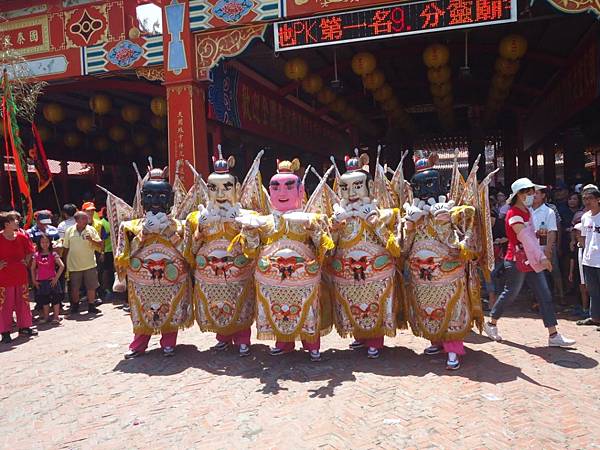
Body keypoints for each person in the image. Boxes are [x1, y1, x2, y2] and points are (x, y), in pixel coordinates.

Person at [238, 158, 334, 362]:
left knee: (307, 308)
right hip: (272, 278)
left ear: (300, 192)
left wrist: (314, 230)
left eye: (289, 187)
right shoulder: (263, 221)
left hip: (303, 277)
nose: (282, 193)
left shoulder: (311, 218)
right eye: (276, 188)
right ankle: (283, 342)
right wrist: (249, 232)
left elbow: (325, 248)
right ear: (269, 192)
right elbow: (253, 251)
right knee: (278, 308)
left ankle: (311, 344)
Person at [400, 153, 489, 370]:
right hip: (422, 276)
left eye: (429, 183)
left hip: (448, 276)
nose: (424, 190)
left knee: (451, 310)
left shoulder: (457, 212)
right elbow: (403, 249)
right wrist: (409, 227)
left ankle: (452, 349)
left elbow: (461, 245)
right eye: (419, 186)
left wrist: (444, 222)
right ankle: (437, 341)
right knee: (428, 309)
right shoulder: (412, 213)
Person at [484, 178, 575, 347]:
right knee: (510, 293)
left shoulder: (527, 212)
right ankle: (491, 324)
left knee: (544, 294)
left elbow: (531, 238)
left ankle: (553, 335)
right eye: (528, 192)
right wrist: (542, 257)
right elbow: (525, 239)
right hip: (516, 260)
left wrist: (539, 253)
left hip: (531, 259)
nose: (532, 195)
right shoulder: (514, 214)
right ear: (518, 195)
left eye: (532, 192)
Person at [184, 148, 256, 356]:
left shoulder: (247, 215)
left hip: (238, 271)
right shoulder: (197, 217)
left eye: (226, 188)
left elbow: (253, 248)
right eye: (214, 188)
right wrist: (200, 228)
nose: (221, 194)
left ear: (237, 188)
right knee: (217, 303)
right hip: (211, 271)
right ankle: (222, 337)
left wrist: (244, 226)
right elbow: (191, 248)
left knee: (240, 302)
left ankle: (243, 338)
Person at [115, 167, 193, 359]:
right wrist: (144, 234)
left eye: (162, 195)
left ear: (171, 199)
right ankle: (138, 345)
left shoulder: (180, 226)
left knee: (170, 308)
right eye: (149, 195)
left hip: (171, 280)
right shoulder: (130, 227)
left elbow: (188, 253)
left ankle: (169, 343)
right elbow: (122, 255)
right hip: (142, 281)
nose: (156, 201)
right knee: (143, 312)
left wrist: (169, 233)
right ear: (142, 199)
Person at [328, 151, 400, 359]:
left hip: (374, 269)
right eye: (345, 187)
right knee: (353, 301)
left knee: (374, 302)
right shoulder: (339, 214)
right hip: (347, 270)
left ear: (368, 187)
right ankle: (360, 335)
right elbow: (330, 244)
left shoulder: (381, 213)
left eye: (357, 186)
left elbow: (394, 242)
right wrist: (333, 227)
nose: (350, 193)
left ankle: (375, 339)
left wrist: (375, 223)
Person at [0, 211, 37, 343]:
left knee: (23, 302)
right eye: (14, 220)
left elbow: (30, 251)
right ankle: (5, 332)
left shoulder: (22, 237)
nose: (17, 222)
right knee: (5, 305)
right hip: (4, 278)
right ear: (6, 224)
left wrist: (26, 261)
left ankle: (25, 327)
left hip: (20, 276)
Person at [62, 211, 102, 314]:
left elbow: (100, 244)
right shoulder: (69, 231)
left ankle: (91, 306)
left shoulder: (91, 230)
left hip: (90, 264)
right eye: (84, 218)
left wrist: (92, 240)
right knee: (74, 287)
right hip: (74, 265)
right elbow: (65, 248)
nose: (86, 220)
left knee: (91, 286)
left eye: (86, 218)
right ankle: (75, 306)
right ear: (77, 220)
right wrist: (64, 262)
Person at [531, 186, 564, 303]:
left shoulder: (549, 210)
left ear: (543, 195)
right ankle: (537, 300)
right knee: (535, 273)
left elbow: (553, 231)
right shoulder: (526, 210)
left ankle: (561, 296)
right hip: (532, 248)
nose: (534, 195)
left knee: (554, 271)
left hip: (546, 246)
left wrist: (548, 250)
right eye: (532, 193)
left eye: (537, 193)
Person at [577, 185, 600, 329]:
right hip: (589, 259)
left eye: (590, 198)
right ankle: (595, 317)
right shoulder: (585, 217)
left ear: (598, 199)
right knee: (592, 290)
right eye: (584, 199)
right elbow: (584, 238)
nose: (587, 202)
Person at [30, 233, 64, 324]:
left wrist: (56, 279)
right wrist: (34, 280)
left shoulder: (53, 254)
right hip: (41, 281)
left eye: (47, 242)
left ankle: (56, 317)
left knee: (56, 299)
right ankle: (46, 317)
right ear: (39, 243)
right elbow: (32, 268)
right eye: (42, 242)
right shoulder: (36, 255)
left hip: (52, 280)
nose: (45, 244)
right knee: (44, 300)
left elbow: (61, 266)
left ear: (50, 243)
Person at [98, 207, 114, 300]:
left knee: (113, 271)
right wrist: (102, 252)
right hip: (107, 250)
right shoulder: (102, 223)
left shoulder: (115, 221)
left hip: (115, 250)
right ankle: (107, 290)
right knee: (107, 271)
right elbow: (102, 239)